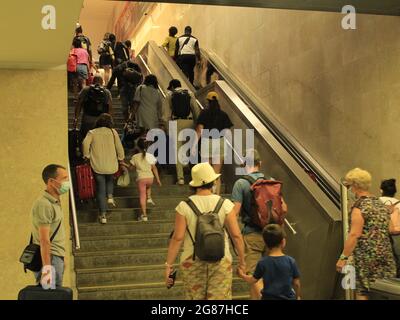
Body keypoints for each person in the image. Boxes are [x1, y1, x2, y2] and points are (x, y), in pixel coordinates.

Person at [165, 162, 246, 300]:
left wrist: (169, 265)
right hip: (221, 260)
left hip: (192, 260)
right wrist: (242, 261)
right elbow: (237, 236)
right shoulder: (225, 204)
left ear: (194, 184)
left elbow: (178, 238)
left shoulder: (183, 206)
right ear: (213, 181)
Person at [231, 148, 288, 300]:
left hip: (251, 235)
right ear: (260, 163)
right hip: (272, 235)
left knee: (254, 277)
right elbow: (284, 208)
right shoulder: (270, 182)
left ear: (244, 163)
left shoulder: (241, 183)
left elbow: (234, 213)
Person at [336, 168, 397, 300]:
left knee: (363, 292)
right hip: (386, 255)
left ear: (355, 186)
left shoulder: (360, 206)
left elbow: (354, 234)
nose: (350, 189)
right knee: (383, 293)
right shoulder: (379, 204)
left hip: (366, 258)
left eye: (350, 186)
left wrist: (343, 258)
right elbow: (391, 229)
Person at [238, 224, 301, 300]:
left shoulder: (262, 263)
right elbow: (296, 283)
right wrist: (298, 296)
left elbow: (252, 280)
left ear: (265, 243)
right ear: (283, 242)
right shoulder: (291, 261)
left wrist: (242, 275)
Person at [82, 114, 125, 224]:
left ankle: (103, 215)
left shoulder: (92, 132)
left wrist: (86, 156)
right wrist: (121, 159)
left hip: (98, 164)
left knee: (101, 188)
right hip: (111, 163)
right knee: (110, 179)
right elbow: (119, 147)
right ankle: (110, 197)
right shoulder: (113, 132)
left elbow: (85, 143)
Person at [32, 164, 70, 288]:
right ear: (51, 182)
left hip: (55, 257)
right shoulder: (44, 204)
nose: (67, 182)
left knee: (55, 294)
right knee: (49, 294)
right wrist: (47, 269)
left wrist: (61, 258)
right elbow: (44, 240)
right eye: (64, 178)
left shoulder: (55, 202)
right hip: (50, 259)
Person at [194, 92, 233, 195]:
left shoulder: (204, 113)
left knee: (205, 172)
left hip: (206, 142)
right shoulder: (223, 114)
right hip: (219, 143)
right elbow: (228, 132)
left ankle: (206, 195)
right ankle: (216, 196)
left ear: (207, 101)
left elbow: (200, 130)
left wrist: (193, 145)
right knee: (216, 174)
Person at [164, 79, 200, 185]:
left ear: (172, 87)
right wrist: (197, 125)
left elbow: (166, 114)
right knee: (191, 150)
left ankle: (181, 178)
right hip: (190, 123)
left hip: (176, 123)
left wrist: (167, 128)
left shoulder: (170, 95)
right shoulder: (190, 93)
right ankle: (194, 176)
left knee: (178, 151)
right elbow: (196, 111)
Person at [123, 138, 162, 222]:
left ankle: (144, 215)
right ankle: (149, 198)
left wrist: (124, 164)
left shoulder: (135, 157)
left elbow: (131, 168)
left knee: (142, 196)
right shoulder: (150, 156)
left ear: (137, 146)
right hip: (150, 178)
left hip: (141, 179)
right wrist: (158, 179)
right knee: (148, 186)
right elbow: (154, 168)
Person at [74, 75, 113, 139]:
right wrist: (110, 120)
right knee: (99, 139)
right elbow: (110, 107)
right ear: (102, 82)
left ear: (93, 81)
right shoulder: (106, 92)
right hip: (101, 120)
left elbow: (79, 104)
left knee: (85, 138)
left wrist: (76, 118)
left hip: (87, 119)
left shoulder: (86, 89)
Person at [379, 178, 400, 275]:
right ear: (394, 191)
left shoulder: (377, 202)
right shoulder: (399, 204)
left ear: (381, 190)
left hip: (380, 235)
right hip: (397, 236)